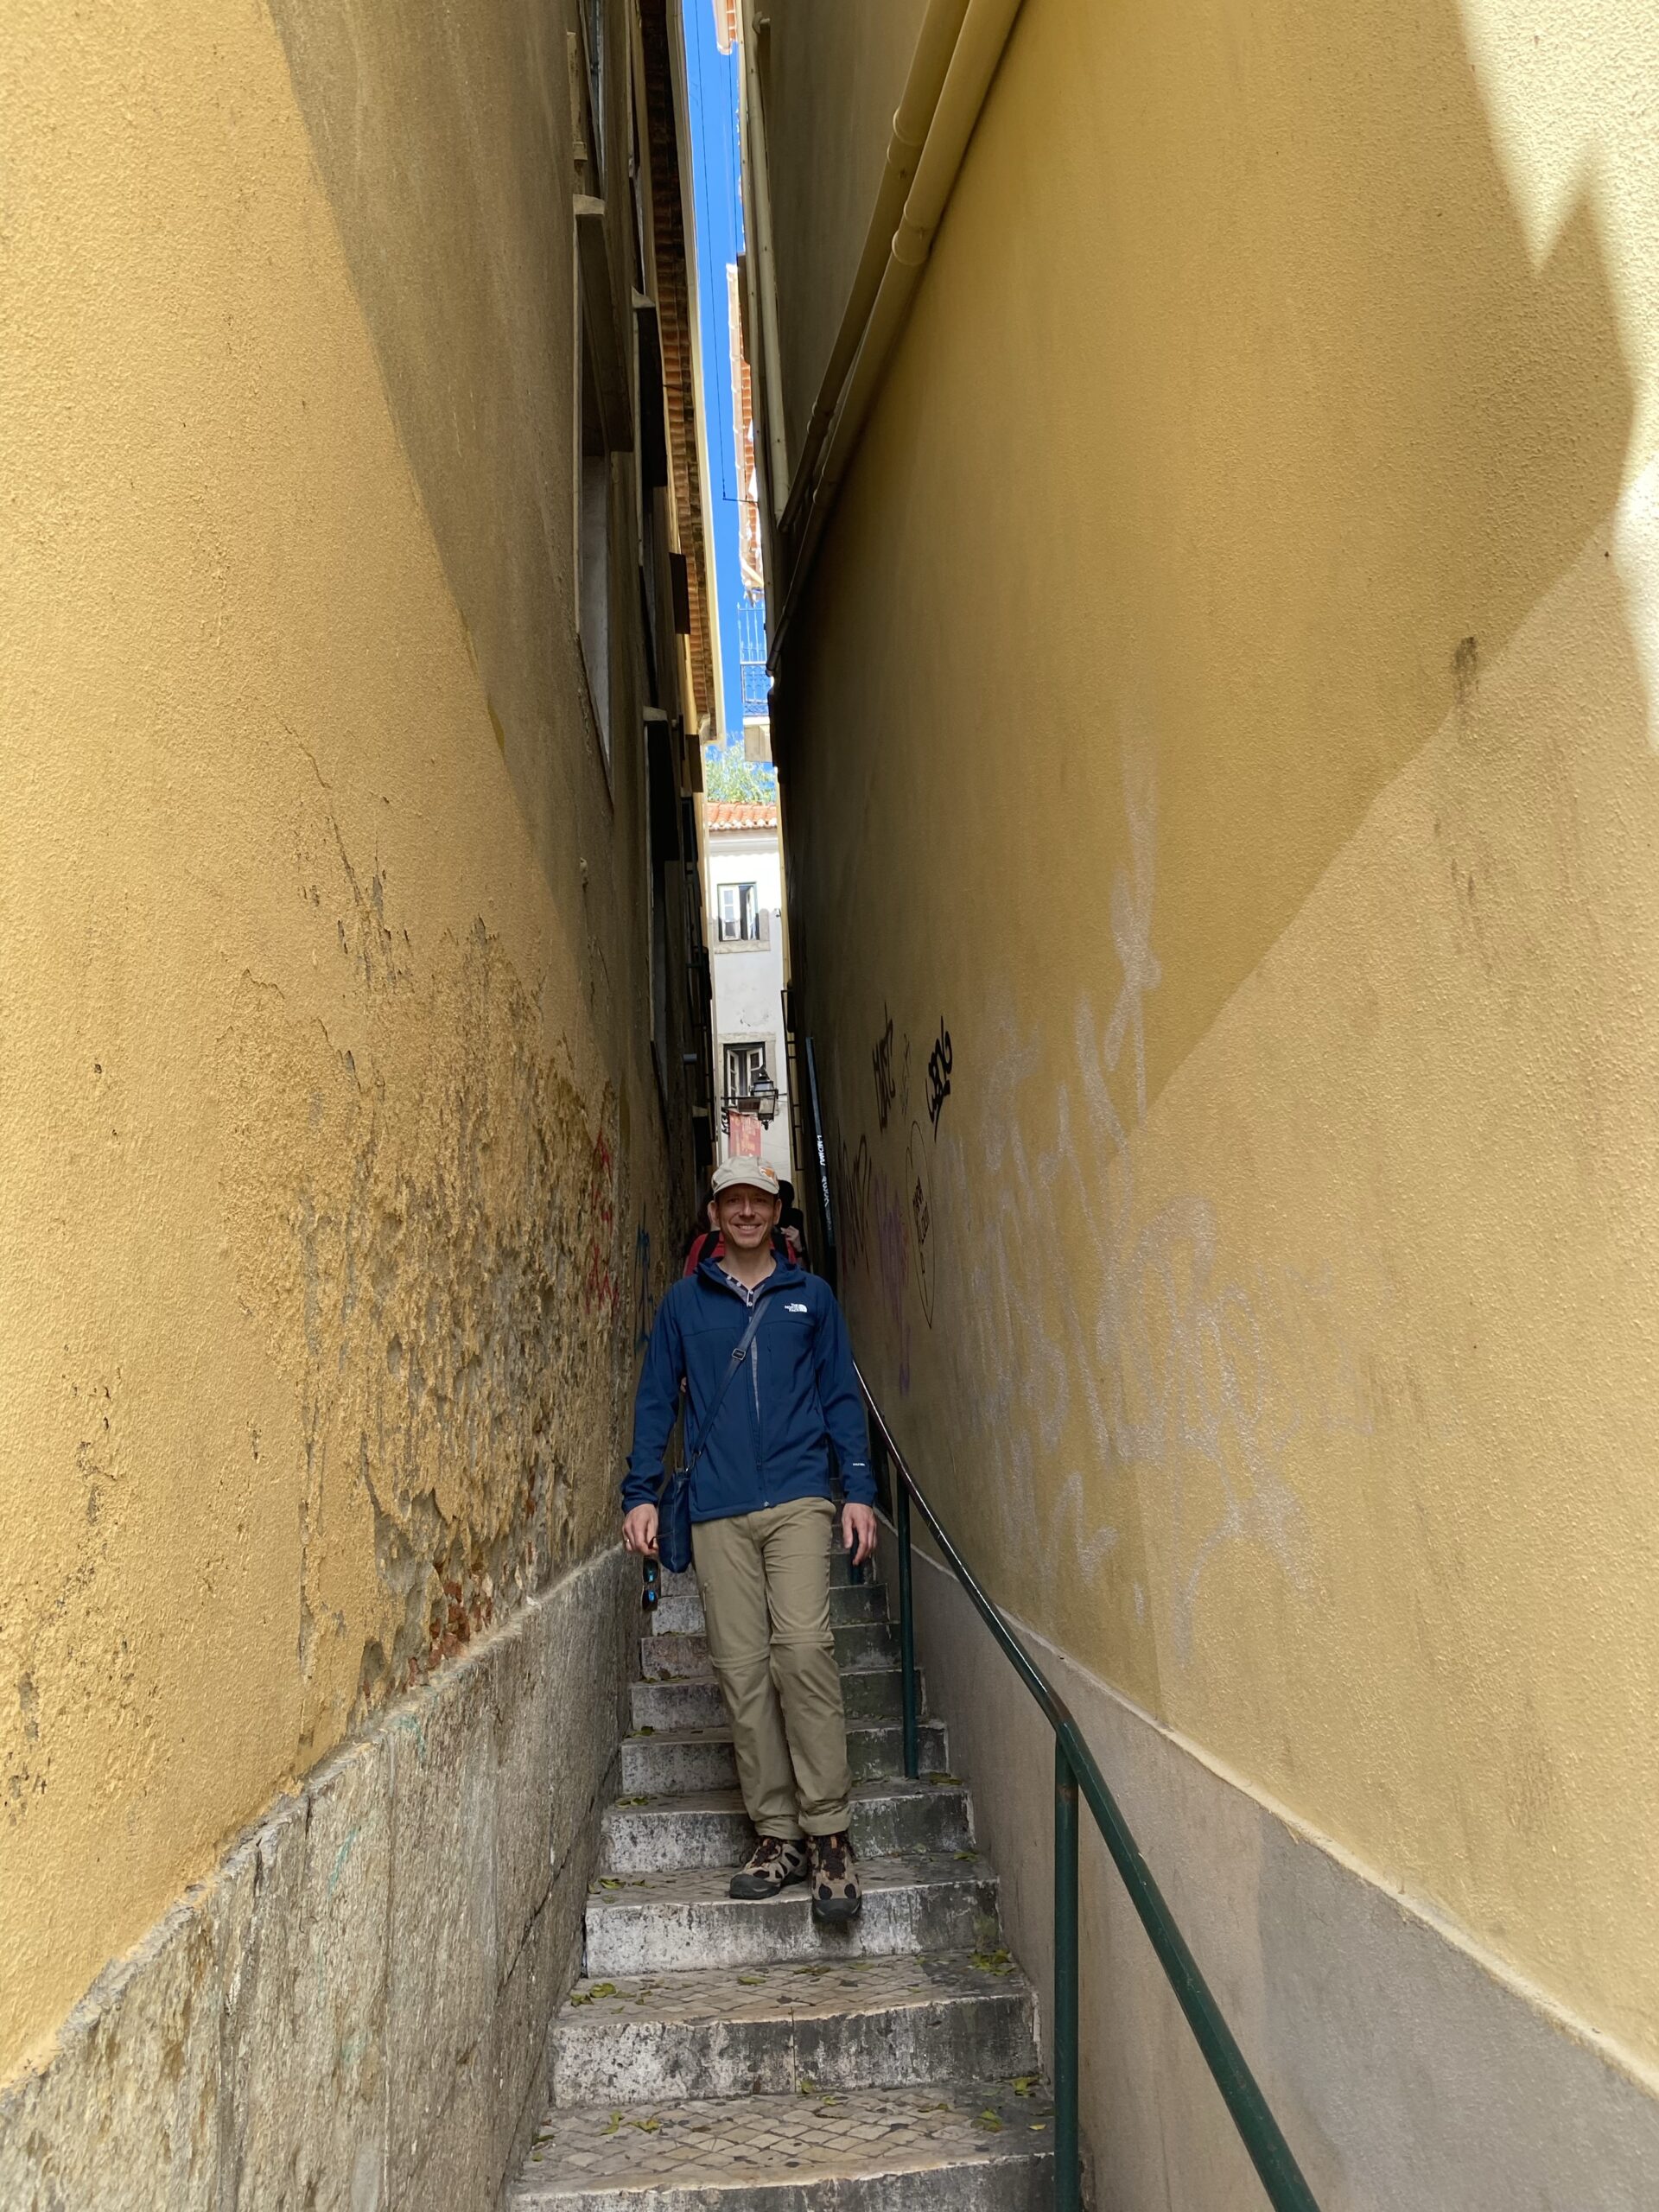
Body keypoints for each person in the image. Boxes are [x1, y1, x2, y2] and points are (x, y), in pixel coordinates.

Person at [622, 1157, 877, 1921]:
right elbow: (655, 1402)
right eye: (732, 1200)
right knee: (740, 1669)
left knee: (802, 1650)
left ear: (776, 1213)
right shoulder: (682, 1304)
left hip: (799, 1495)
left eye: (758, 1200)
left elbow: (841, 1396)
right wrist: (641, 1495)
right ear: (714, 1213)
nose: (745, 1211)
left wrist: (859, 1492)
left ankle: (829, 1831)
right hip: (717, 1507)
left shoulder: (812, 1298)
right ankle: (777, 1834)